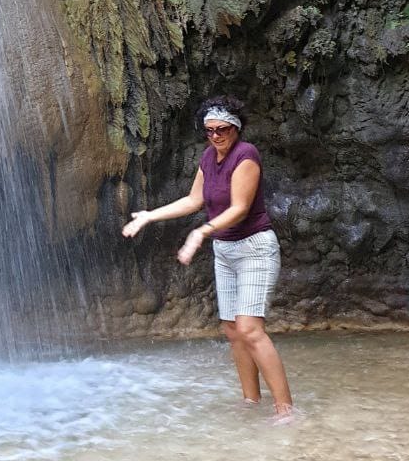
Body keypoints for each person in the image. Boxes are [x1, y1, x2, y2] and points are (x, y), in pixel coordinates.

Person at [122, 96, 293, 421]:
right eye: (209, 131)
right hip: (225, 251)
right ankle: (250, 402)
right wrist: (148, 216)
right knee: (231, 329)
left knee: (250, 329)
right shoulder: (208, 158)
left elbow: (240, 207)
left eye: (222, 130)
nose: (215, 136)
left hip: (254, 247)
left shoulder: (246, 155)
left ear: (236, 128)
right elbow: (193, 200)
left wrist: (201, 232)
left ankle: (285, 409)